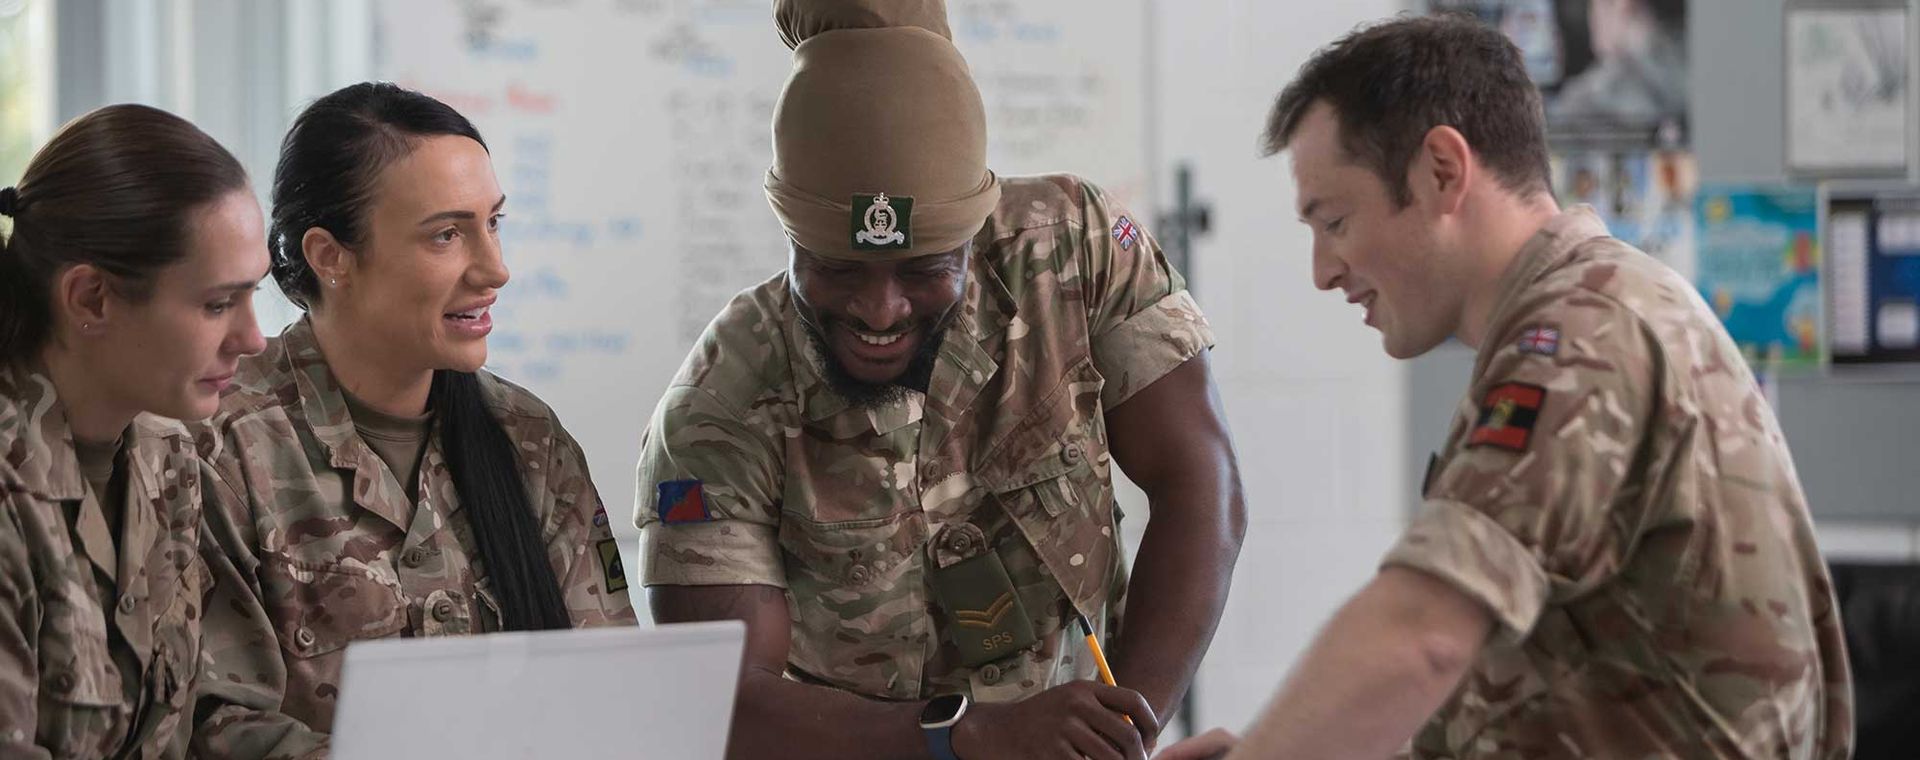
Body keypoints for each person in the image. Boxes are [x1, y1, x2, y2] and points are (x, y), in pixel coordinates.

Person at [1159, 14, 1849, 760]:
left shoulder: (1581, 336)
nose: (1323, 270)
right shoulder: (1591, 312)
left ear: (1442, 172)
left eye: (1334, 221)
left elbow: (1421, 634)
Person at [634, 1, 1246, 759]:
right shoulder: (720, 407)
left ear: (972, 236)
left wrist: (1120, 735)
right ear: (791, 236)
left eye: (925, 270)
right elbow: (721, 701)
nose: (880, 310)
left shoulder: (1072, 253)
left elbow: (1200, 481)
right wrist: (961, 740)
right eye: (837, 268)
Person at [190, 82, 637, 758]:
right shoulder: (222, 447)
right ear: (330, 257)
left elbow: (611, 688)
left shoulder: (528, 439)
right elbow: (208, 725)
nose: (496, 269)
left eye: (494, 223)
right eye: (447, 235)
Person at [0, 104, 269, 758]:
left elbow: (196, 721)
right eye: (216, 304)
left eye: (254, 295)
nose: (254, 339)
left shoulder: (167, 456)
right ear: (92, 298)